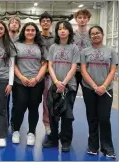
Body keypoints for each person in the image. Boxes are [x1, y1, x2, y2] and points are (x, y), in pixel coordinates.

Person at [42, 20, 79, 152]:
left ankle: (65, 141)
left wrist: (64, 83)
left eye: (65, 28)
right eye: (59, 29)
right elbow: (50, 66)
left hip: (69, 86)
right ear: (57, 32)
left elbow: (74, 67)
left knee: (67, 115)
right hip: (54, 85)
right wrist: (56, 82)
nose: (62, 31)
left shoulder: (74, 48)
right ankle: (52, 139)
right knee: (52, 114)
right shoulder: (53, 47)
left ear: (69, 31)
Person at [81, 26, 117, 159]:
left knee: (104, 118)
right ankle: (93, 146)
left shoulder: (111, 51)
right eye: (92, 34)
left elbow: (112, 70)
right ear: (90, 36)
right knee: (92, 118)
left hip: (106, 90)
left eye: (98, 33)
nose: (95, 35)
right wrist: (94, 86)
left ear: (102, 34)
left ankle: (107, 147)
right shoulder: (84, 52)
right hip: (89, 89)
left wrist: (103, 86)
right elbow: (84, 70)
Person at [12, 22, 47, 145]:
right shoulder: (16, 45)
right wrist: (21, 77)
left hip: (36, 83)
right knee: (19, 107)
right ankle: (16, 130)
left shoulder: (41, 46)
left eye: (33, 30)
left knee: (33, 108)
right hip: (20, 82)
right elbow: (13, 64)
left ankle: (31, 132)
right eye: (28, 30)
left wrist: (37, 79)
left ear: (36, 32)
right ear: (24, 31)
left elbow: (44, 64)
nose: (30, 32)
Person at [39, 11, 54, 135]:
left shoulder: (56, 38)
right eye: (43, 21)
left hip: (50, 74)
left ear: (51, 23)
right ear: (40, 23)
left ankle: (48, 124)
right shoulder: (35, 36)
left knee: (48, 101)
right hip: (36, 73)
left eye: (48, 21)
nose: (45, 22)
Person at [73, 9, 92, 95]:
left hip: (88, 71)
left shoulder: (93, 35)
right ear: (76, 19)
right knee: (70, 98)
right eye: (80, 17)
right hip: (74, 71)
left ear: (88, 19)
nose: (82, 20)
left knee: (89, 98)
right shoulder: (71, 35)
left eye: (85, 17)